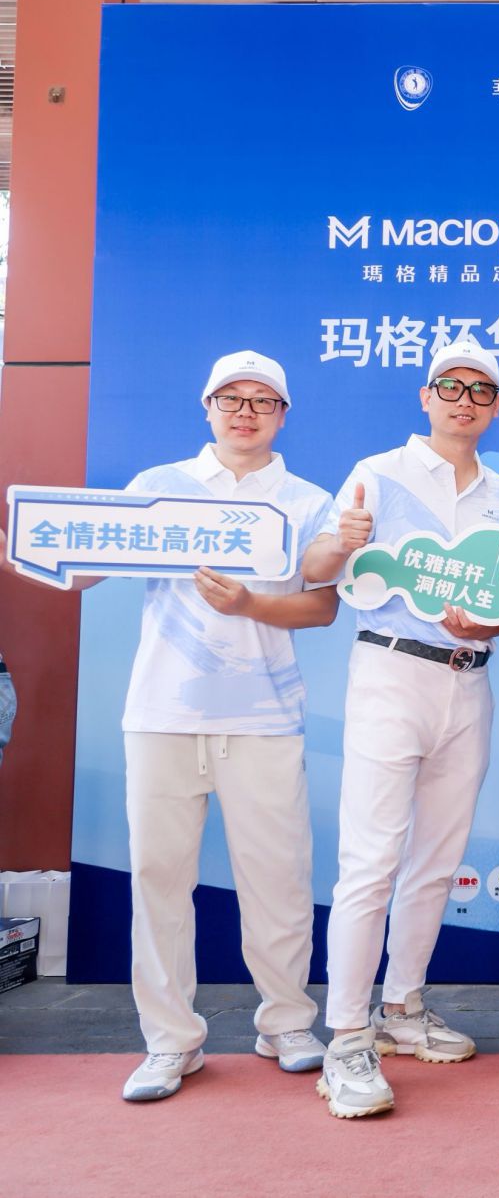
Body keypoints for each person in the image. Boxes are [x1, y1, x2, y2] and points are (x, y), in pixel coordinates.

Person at [0, 351, 338, 1101]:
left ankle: (286, 1022)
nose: (246, 411)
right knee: (158, 878)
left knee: (279, 879)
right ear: (206, 406)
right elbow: (86, 567)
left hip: (264, 716)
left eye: (263, 400)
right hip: (163, 712)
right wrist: (17, 548)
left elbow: (322, 605)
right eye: (231, 398)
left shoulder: (309, 501)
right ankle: (170, 1041)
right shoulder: (158, 487)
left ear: (283, 414)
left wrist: (250, 604)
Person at [301, 338, 499, 1117]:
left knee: (435, 861)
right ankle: (346, 1036)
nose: (464, 400)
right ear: (426, 395)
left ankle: (402, 1006)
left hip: (468, 680)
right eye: (450, 386)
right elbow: (317, 568)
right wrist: (341, 540)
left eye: (480, 389)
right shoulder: (378, 472)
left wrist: (484, 624)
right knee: (369, 862)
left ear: (495, 406)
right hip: (391, 672)